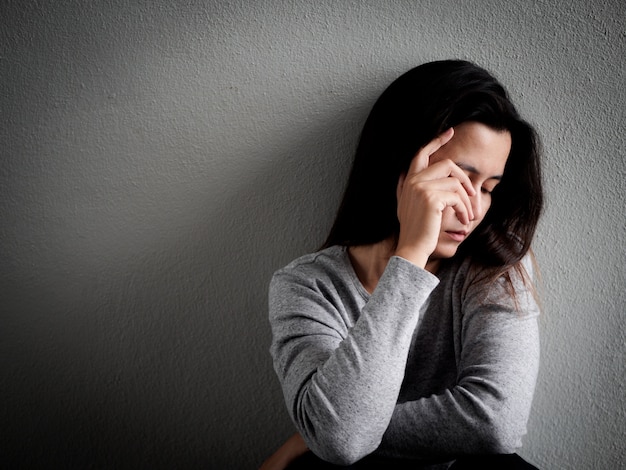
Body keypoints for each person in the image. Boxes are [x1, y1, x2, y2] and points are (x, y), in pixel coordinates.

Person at [261, 60, 543, 469]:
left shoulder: (496, 264)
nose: (473, 211)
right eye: (460, 180)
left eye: (488, 189)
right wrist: (409, 257)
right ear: (400, 166)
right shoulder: (307, 285)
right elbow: (342, 442)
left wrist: (312, 433)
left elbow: (497, 422)